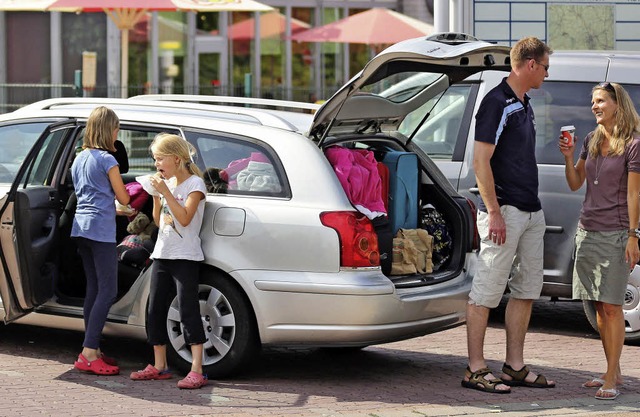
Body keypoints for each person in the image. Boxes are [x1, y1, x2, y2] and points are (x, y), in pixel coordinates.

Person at [461, 37, 556, 394]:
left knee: (527, 291)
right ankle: (475, 368)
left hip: (532, 211)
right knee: (485, 292)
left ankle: (514, 367)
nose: (547, 73)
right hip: (506, 212)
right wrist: (495, 212)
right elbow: (480, 161)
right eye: (546, 67)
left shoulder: (524, 104)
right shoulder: (496, 103)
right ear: (530, 64)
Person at [559, 82, 640, 400]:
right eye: (593, 101)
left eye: (601, 101)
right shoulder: (590, 140)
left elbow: (635, 194)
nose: (594, 106)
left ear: (617, 104)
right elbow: (575, 183)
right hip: (587, 232)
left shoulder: (634, 144)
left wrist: (634, 236)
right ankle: (612, 371)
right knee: (596, 306)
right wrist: (568, 157)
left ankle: (612, 376)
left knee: (612, 307)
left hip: (616, 233)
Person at [129, 133, 208, 389]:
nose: (156, 164)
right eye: (154, 159)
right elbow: (157, 219)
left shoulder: (195, 185)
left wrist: (166, 192)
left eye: (160, 158)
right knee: (155, 310)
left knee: (188, 309)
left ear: (176, 158)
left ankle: (197, 369)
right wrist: (155, 194)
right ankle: (159, 364)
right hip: (163, 253)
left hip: (185, 255)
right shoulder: (168, 184)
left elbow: (185, 218)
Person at [72, 106, 130, 375]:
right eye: (116, 128)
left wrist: (113, 206)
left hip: (81, 227)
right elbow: (124, 197)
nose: (118, 133)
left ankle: (92, 349)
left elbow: (92, 195)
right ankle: (87, 352)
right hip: (101, 231)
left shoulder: (79, 159)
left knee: (93, 289)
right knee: (108, 290)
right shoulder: (108, 160)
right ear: (109, 130)